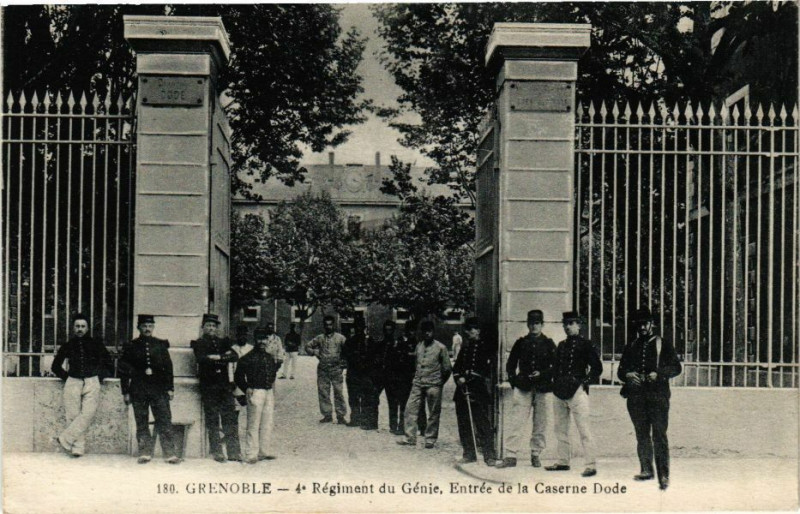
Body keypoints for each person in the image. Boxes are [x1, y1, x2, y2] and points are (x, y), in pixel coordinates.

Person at [618, 308, 682, 491]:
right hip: (636, 396)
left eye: (645, 323)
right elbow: (621, 371)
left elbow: (676, 368)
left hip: (658, 396)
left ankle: (663, 475)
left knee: (659, 435)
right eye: (639, 324)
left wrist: (659, 374)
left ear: (652, 324)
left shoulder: (663, 344)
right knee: (641, 433)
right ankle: (646, 469)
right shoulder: (631, 346)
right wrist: (629, 374)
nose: (642, 327)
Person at [498, 309, 557, 468]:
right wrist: (514, 382)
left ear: (542, 324)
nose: (534, 327)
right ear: (527, 324)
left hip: (543, 389)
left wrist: (543, 373)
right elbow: (510, 365)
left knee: (540, 423)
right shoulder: (521, 342)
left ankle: (536, 454)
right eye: (531, 323)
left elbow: (557, 366)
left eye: (537, 323)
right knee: (517, 421)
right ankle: (511, 455)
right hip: (523, 387)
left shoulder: (549, 344)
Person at [546, 311, 602, 477]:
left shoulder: (586, 345)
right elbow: (555, 368)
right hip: (559, 391)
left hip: (577, 392)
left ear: (579, 325)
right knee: (560, 430)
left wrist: (584, 382)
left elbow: (597, 368)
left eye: (571, 324)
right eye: (565, 324)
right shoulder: (561, 345)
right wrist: (553, 383)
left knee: (584, 429)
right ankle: (563, 462)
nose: (568, 327)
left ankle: (591, 465)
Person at [118, 314, 180, 464]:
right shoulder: (131, 346)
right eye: (144, 326)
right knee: (141, 420)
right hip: (138, 389)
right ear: (138, 327)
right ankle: (145, 452)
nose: (147, 329)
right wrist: (125, 392)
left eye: (150, 326)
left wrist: (170, 388)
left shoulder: (161, 344)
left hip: (158, 389)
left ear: (153, 327)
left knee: (164, 419)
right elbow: (123, 371)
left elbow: (168, 368)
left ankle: (169, 453)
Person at [51, 313, 113, 457]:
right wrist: (67, 378)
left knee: (87, 413)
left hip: (92, 381)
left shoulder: (96, 344)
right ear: (73, 328)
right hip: (73, 381)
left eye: (83, 326)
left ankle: (65, 439)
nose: (80, 329)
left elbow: (109, 364)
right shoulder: (68, 345)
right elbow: (55, 366)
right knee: (73, 414)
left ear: (88, 328)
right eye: (77, 326)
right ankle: (78, 448)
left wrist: (98, 377)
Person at [191, 313, 242, 463]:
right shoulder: (198, 343)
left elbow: (234, 356)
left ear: (217, 328)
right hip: (209, 386)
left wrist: (218, 357)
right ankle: (217, 452)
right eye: (208, 325)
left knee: (230, 419)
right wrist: (218, 358)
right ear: (203, 327)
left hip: (225, 386)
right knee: (213, 420)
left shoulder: (223, 342)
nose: (211, 328)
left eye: (214, 326)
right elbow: (202, 359)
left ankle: (234, 452)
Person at [397, 319, 452, 449]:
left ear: (433, 332)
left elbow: (447, 368)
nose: (427, 334)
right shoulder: (419, 346)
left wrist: (439, 382)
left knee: (433, 412)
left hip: (434, 384)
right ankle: (410, 437)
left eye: (429, 331)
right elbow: (417, 364)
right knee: (410, 409)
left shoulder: (441, 348)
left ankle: (430, 439)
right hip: (418, 383)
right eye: (425, 331)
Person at [452, 317, 497, 466]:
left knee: (482, 423)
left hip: (477, 389)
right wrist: (459, 379)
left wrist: (468, 378)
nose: (470, 332)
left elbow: (484, 370)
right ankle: (469, 453)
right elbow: (456, 368)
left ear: (479, 331)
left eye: (473, 329)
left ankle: (489, 455)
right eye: (468, 329)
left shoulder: (485, 347)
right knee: (464, 423)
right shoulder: (464, 348)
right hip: (462, 390)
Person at [235, 327, 282, 464]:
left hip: (268, 392)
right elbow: (238, 376)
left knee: (267, 423)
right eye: (260, 338)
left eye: (265, 338)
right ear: (255, 339)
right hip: (256, 392)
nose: (263, 341)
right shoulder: (248, 357)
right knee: (253, 424)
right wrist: (246, 388)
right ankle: (251, 453)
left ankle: (263, 451)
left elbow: (273, 373)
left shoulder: (269, 357)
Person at [306, 315, 348, 424]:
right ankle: (327, 414)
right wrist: (314, 352)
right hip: (323, 369)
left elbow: (347, 351)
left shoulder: (340, 338)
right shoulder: (320, 338)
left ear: (334, 325)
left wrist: (343, 364)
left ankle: (341, 415)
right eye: (326, 325)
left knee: (338, 392)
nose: (328, 327)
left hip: (336, 369)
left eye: (330, 324)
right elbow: (308, 346)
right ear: (324, 326)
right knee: (323, 392)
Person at [382, 319, 419, 435]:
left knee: (404, 404)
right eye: (409, 330)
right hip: (394, 377)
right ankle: (393, 425)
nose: (411, 333)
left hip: (407, 378)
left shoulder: (418, 344)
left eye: (413, 330)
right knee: (393, 403)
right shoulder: (398, 342)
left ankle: (401, 426)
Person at [342, 318, 378, 429]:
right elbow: (344, 356)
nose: (358, 330)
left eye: (360, 328)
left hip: (365, 373)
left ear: (364, 328)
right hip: (353, 373)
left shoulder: (370, 341)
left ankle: (364, 419)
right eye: (356, 328)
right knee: (353, 396)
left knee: (366, 396)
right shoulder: (349, 341)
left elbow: (374, 357)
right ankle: (355, 418)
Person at [230, 325, 254, 409]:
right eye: (240, 335)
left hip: (249, 381)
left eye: (244, 335)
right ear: (236, 336)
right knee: (237, 407)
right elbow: (230, 366)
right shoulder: (232, 349)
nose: (242, 337)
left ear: (247, 336)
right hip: (235, 381)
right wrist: (231, 380)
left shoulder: (251, 349)